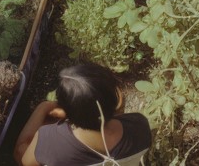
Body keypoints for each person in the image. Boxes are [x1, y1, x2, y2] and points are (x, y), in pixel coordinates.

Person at [14, 63, 152, 166]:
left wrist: (43, 107)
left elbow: (22, 157)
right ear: (114, 98)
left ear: (66, 111)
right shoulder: (139, 125)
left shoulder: (51, 141)